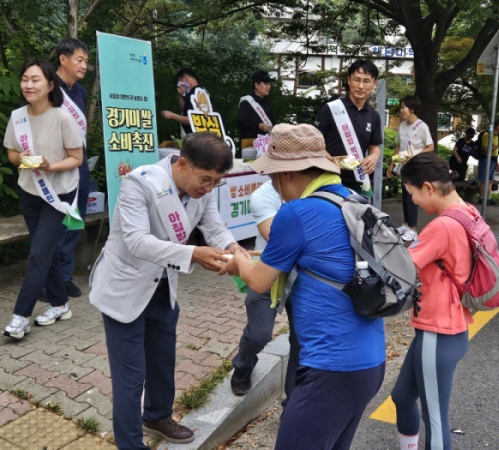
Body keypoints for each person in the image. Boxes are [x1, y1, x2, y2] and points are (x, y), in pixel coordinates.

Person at [220, 124, 386, 450]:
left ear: (286, 175)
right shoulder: (350, 200)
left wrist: (238, 260)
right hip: (369, 362)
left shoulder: (297, 212)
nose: (273, 184)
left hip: (331, 370)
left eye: (272, 176)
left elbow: (257, 280)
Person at [88, 132, 245, 449]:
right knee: (130, 378)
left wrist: (232, 246)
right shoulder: (140, 182)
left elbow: (212, 223)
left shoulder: (203, 185)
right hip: (125, 290)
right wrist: (193, 254)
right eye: (206, 180)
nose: (209, 188)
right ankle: (130, 444)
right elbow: (136, 241)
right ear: (183, 164)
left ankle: (156, 418)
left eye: (217, 182)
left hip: (162, 288)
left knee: (162, 363)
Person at [391, 152, 474, 450]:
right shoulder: (466, 212)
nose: (412, 201)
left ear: (427, 188)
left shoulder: (441, 227)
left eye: (411, 193)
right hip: (447, 327)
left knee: (436, 421)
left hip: (438, 332)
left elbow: (400, 268)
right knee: (401, 396)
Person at [3, 59, 83, 339]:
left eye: (35, 80)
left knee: (38, 254)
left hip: (58, 195)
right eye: (25, 79)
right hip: (30, 192)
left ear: (50, 85)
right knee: (44, 254)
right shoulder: (18, 117)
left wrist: (51, 166)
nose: (28, 85)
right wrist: (22, 158)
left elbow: (77, 158)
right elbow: (12, 154)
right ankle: (60, 304)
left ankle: (20, 316)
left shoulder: (63, 117)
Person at [230, 180, 299, 402]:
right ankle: (244, 363)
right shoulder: (263, 195)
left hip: (305, 276)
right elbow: (277, 240)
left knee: (302, 342)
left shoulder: (320, 192)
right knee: (258, 335)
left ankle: (292, 405)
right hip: (268, 270)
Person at [52, 37, 90, 298]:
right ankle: (49, 280)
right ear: (63, 59)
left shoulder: (80, 91)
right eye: (80, 60)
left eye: (86, 61)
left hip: (81, 165)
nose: (84, 66)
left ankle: (64, 276)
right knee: (54, 224)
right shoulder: (46, 87)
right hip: (55, 166)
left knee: (74, 221)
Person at [315, 59, 382, 195]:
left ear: (374, 84)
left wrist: (374, 157)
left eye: (366, 81)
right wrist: (331, 159)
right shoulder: (331, 108)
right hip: (328, 179)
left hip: (359, 181)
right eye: (356, 80)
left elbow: (374, 147)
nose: (361, 86)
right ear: (349, 80)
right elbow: (313, 143)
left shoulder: (374, 115)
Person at [387, 95, 434, 242]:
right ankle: (406, 225)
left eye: (403, 107)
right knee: (405, 196)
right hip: (403, 166)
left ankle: (413, 229)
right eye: (401, 107)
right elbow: (398, 146)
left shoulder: (422, 127)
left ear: (412, 109)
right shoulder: (402, 125)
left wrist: (415, 156)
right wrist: (391, 165)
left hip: (415, 167)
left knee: (412, 197)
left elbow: (430, 147)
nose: (401, 110)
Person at [161, 68, 212, 138]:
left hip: (196, 139)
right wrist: (180, 96)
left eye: (179, 81)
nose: (179, 85)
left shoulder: (196, 92)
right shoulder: (201, 91)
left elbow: (194, 119)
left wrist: (172, 115)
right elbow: (186, 111)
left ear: (185, 79)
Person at [238, 71, 276, 150]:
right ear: (256, 85)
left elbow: (272, 121)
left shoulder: (267, 102)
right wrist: (258, 125)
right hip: (250, 144)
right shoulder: (246, 101)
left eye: (269, 84)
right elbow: (241, 122)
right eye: (265, 84)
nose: (269, 87)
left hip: (266, 144)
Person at [478, 119, 499, 206]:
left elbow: (494, 150)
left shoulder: (497, 136)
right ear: (497, 126)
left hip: (493, 159)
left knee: (490, 180)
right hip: (486, 159)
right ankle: (482, 198)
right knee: (484, 179)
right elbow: (486, 148)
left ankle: (488, 198)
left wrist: (496, 160)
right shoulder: (487, 135)